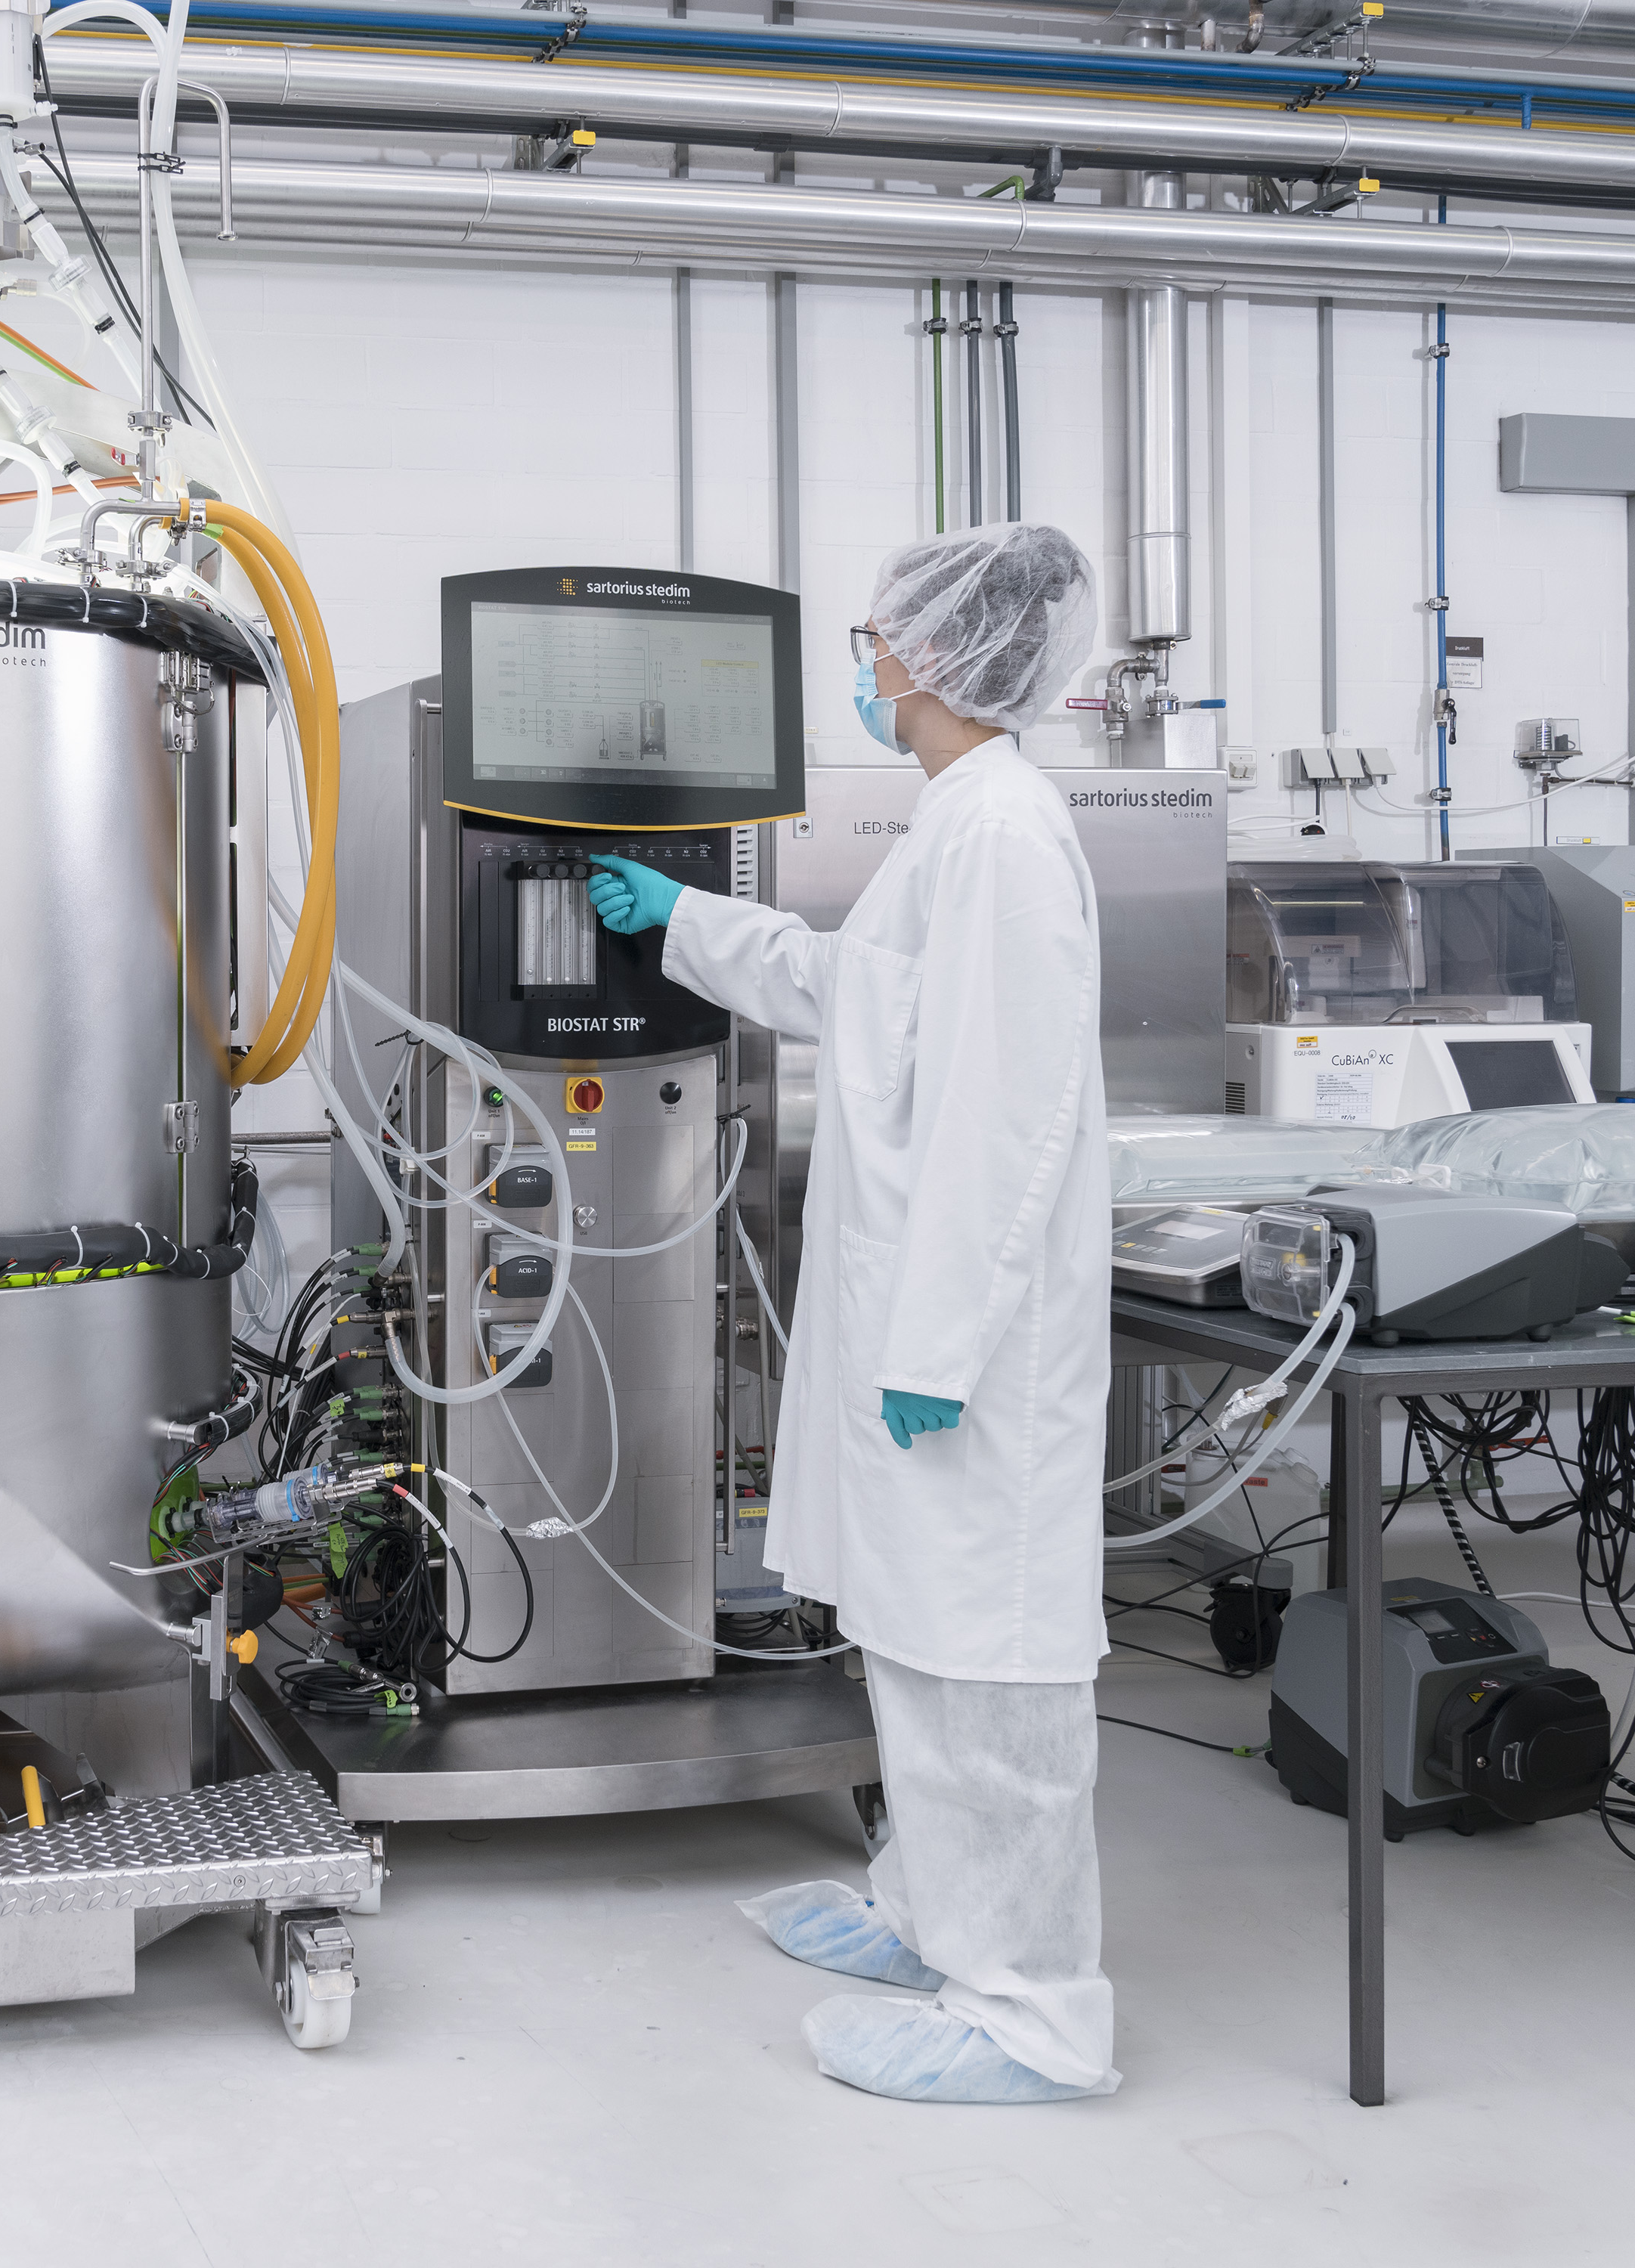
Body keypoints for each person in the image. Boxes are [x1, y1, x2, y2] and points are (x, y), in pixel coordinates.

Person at [584, 523, 1115, 2105]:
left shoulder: (1008, 837)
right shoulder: (957, 824)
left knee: (989, 1670)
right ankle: (932, 1914)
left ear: (950, 658)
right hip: (915, 1322)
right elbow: (861, 997)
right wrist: (681, 926)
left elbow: (1009, 1122)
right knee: (913, 1637)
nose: (871, 670)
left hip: (970, 1343)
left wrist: (942, 1347)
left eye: (883, 645)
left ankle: (1033, 2011)